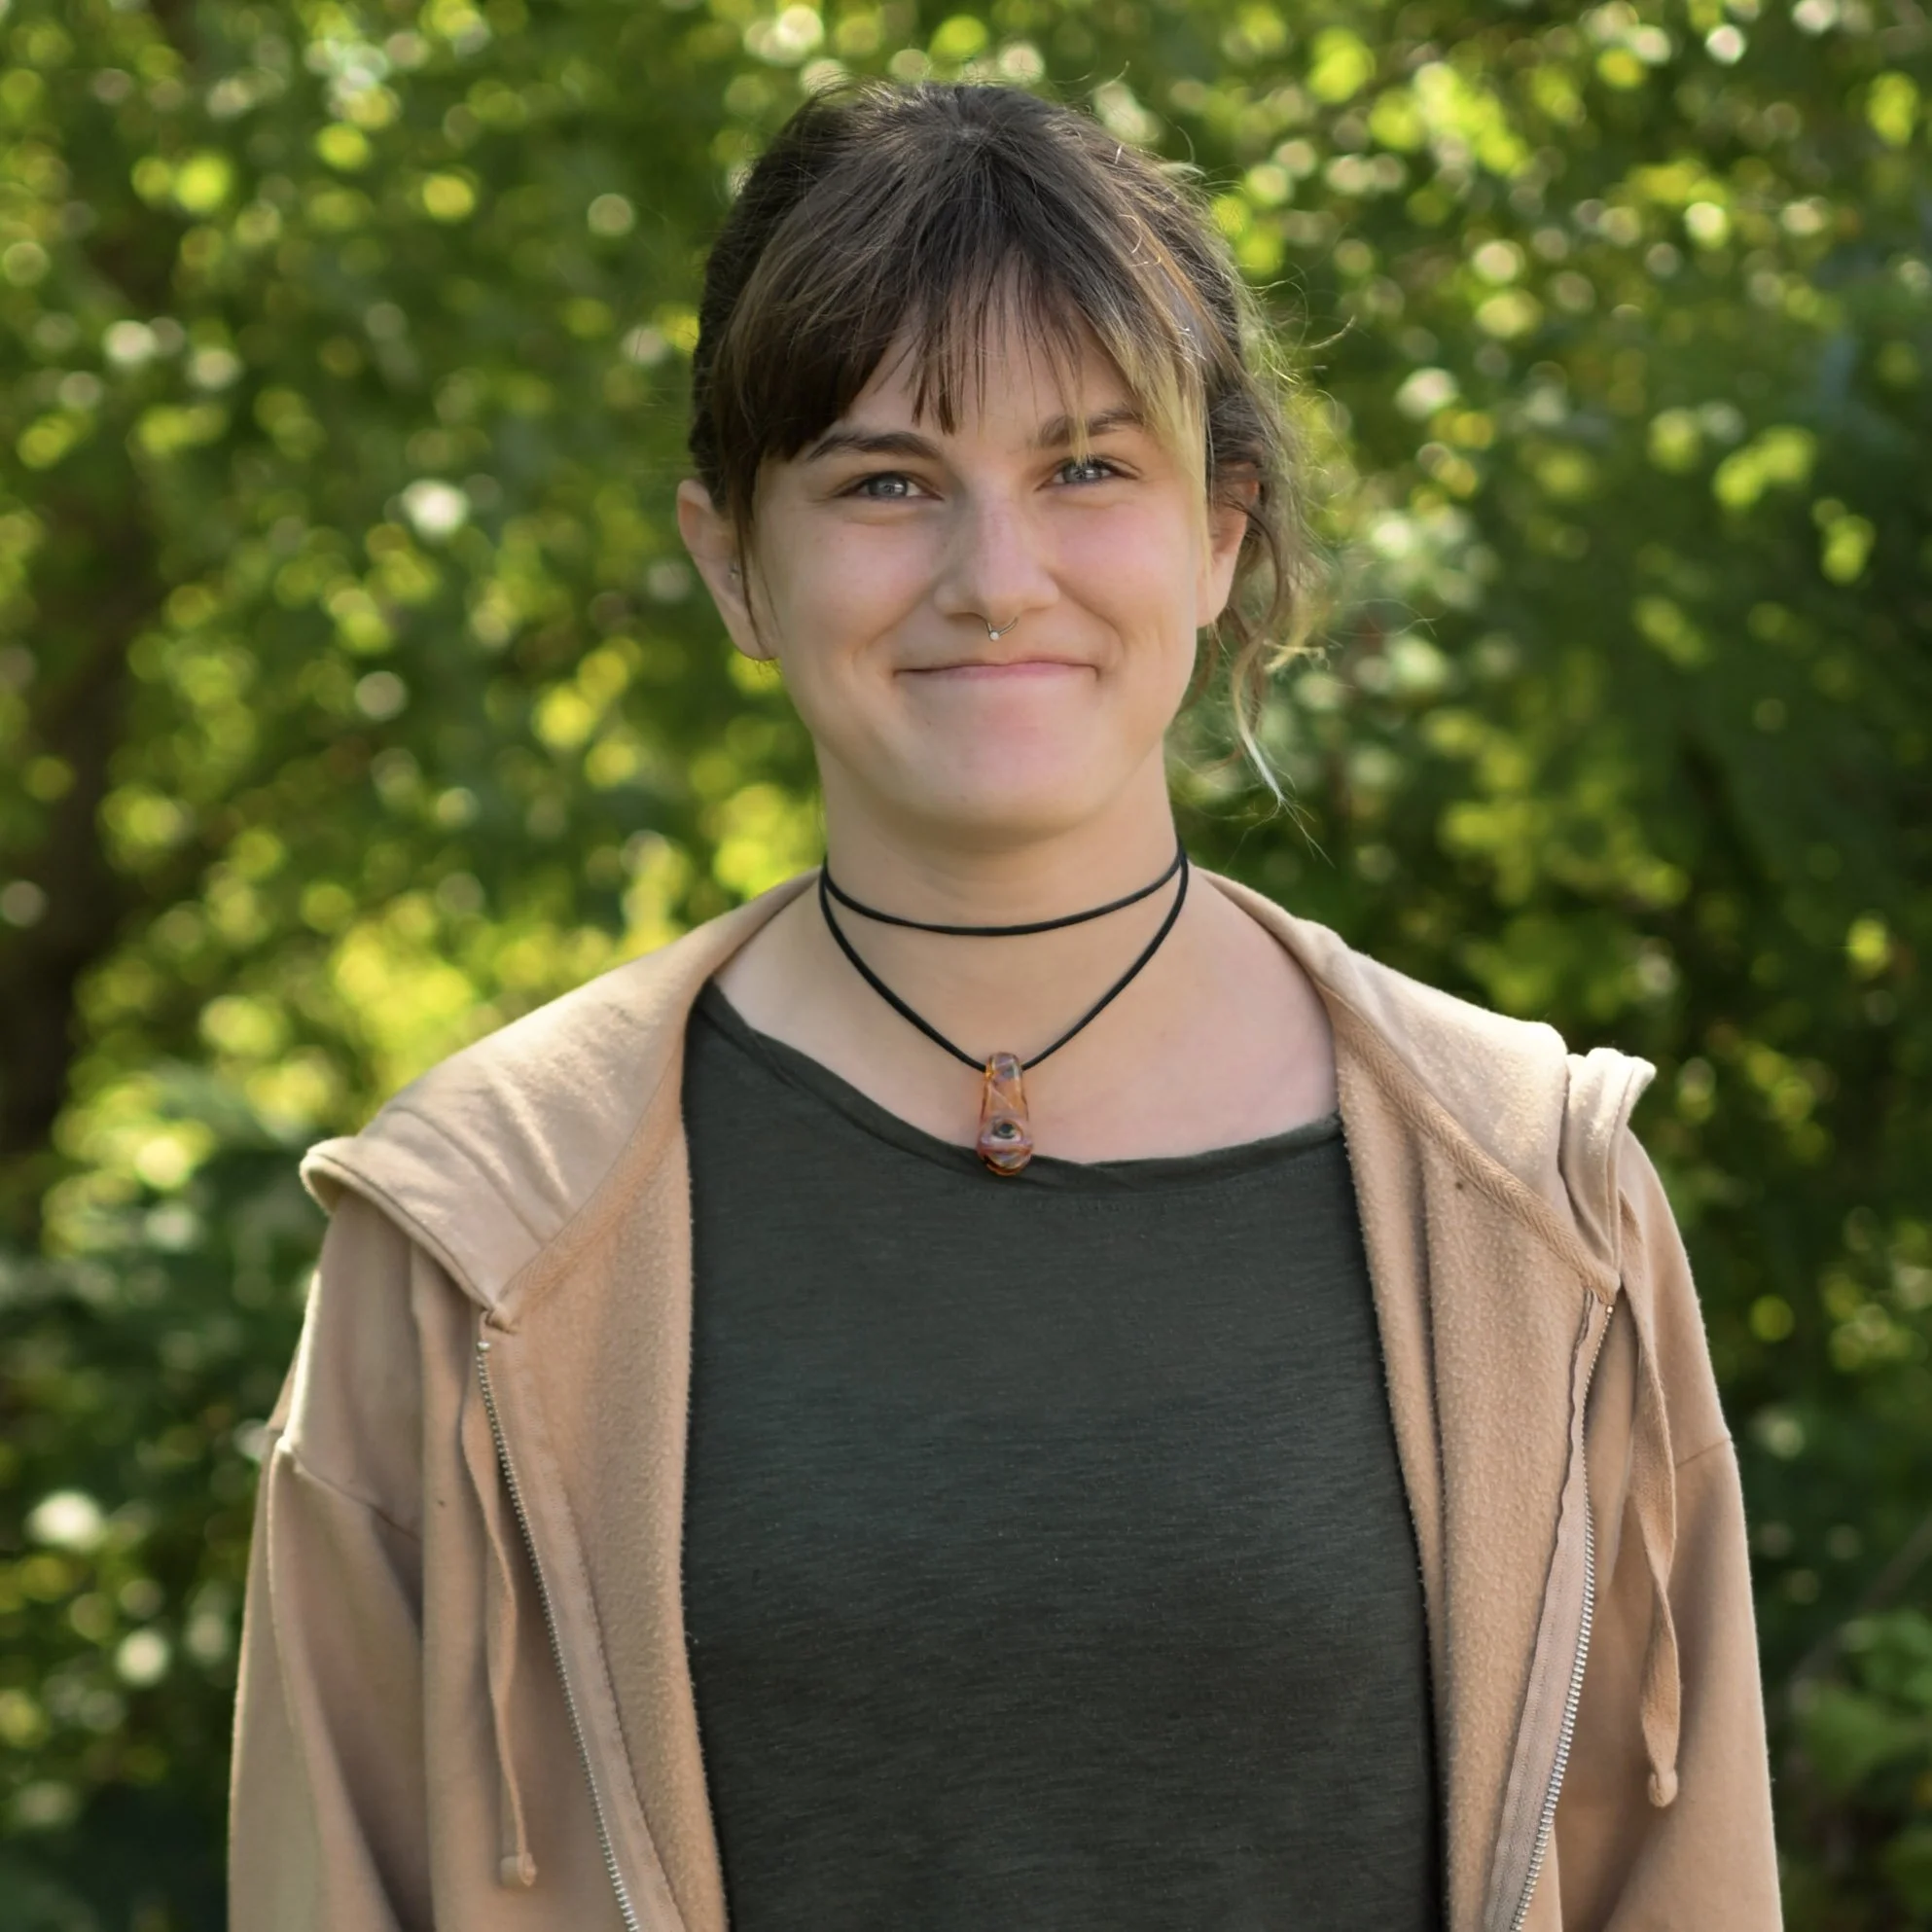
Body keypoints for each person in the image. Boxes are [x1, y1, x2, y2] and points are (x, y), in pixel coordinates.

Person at [229, 81, 1780, 1932]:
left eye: (1086, 469)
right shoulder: (476, 1231)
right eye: (887, 479)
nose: (993, 577)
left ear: (1217, 535)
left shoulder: (1542, 1204)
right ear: (734, 559)